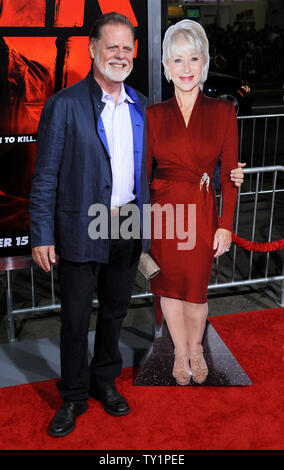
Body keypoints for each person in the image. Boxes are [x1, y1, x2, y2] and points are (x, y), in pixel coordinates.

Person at [29, 12, 244, 437]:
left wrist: (228, 176)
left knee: (114, 312)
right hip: (82, 225)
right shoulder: (65, 105)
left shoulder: (145, 107)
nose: (120, 55)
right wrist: (41, 234)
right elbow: (45, 176)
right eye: (112, 47)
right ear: (92, 50)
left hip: (128, 223)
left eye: (128, 48)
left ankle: (104, 382)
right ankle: (73, 396)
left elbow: (174, 162)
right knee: (75, 318)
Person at [146, 20, 241, 386]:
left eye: (193, 59)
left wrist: (226, 226)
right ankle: (180, 351)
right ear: (166, 67)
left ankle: (197, 347)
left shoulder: (222, 112)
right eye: (177, 61)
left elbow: (231, 173)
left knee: (196, 289)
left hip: (202, 213)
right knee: (168, 286)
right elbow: (141, 176)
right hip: (164, 214)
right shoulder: (153, 115)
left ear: (204, 65)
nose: (186, 69)